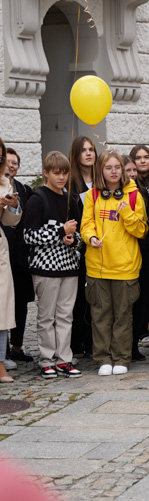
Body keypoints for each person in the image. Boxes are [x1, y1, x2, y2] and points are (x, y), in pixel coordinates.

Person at [81, 151, 147, 376]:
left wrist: (127, 213)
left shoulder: (134, 196)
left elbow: (141, 230)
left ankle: (121, 358)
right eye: (108, 168)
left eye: (117, 167)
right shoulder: (92, 195)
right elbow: (86, 224)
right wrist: (90, 238)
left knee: (123, 316)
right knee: (100, 316)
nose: (113, 171)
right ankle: (102, 358)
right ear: (101, 170)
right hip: (98, 266)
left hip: (125, 267)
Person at [22, 151, 83, 379]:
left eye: (65, 173)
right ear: (46, 173)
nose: (61, 177)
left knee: (66, 315)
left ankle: (64, 359)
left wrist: (71, 239)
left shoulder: (72, 198)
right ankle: (47, 359)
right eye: (56, 173)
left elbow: (78, 235)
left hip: (68, 266)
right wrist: (60, 232)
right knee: (46, 317)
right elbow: (29, 235)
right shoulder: (38, 199)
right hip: (45, 267)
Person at [2, 148, 35, 367]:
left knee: (20, 301)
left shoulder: (24, 189)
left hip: (20, 253)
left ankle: (17, 346)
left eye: (16, 163)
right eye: (9, 162)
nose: (12, 166)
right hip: (3, 249)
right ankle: (2, 351)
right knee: (3, 303)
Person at [129, 145, 149, 356]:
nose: (142, 161)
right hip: (139, 243)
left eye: (146, 157)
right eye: (138, 158)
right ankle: (141, 332)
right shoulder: (130, 185)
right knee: (141, 291)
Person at [68, 136, 96, 358]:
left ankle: (91, 340)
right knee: (78, 297)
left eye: (92, 149)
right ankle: (76, 342)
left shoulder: (101, 181)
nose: (89, 153)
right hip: (77, 248)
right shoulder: (70, 183)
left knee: (94, 296)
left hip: (100, 244)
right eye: (84, 150)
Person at [0, 139, 22, 383]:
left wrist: (13, 206)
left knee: (2, 308)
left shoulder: (4, 182)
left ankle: (0, 364)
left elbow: (10, 221)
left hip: (0, 249)